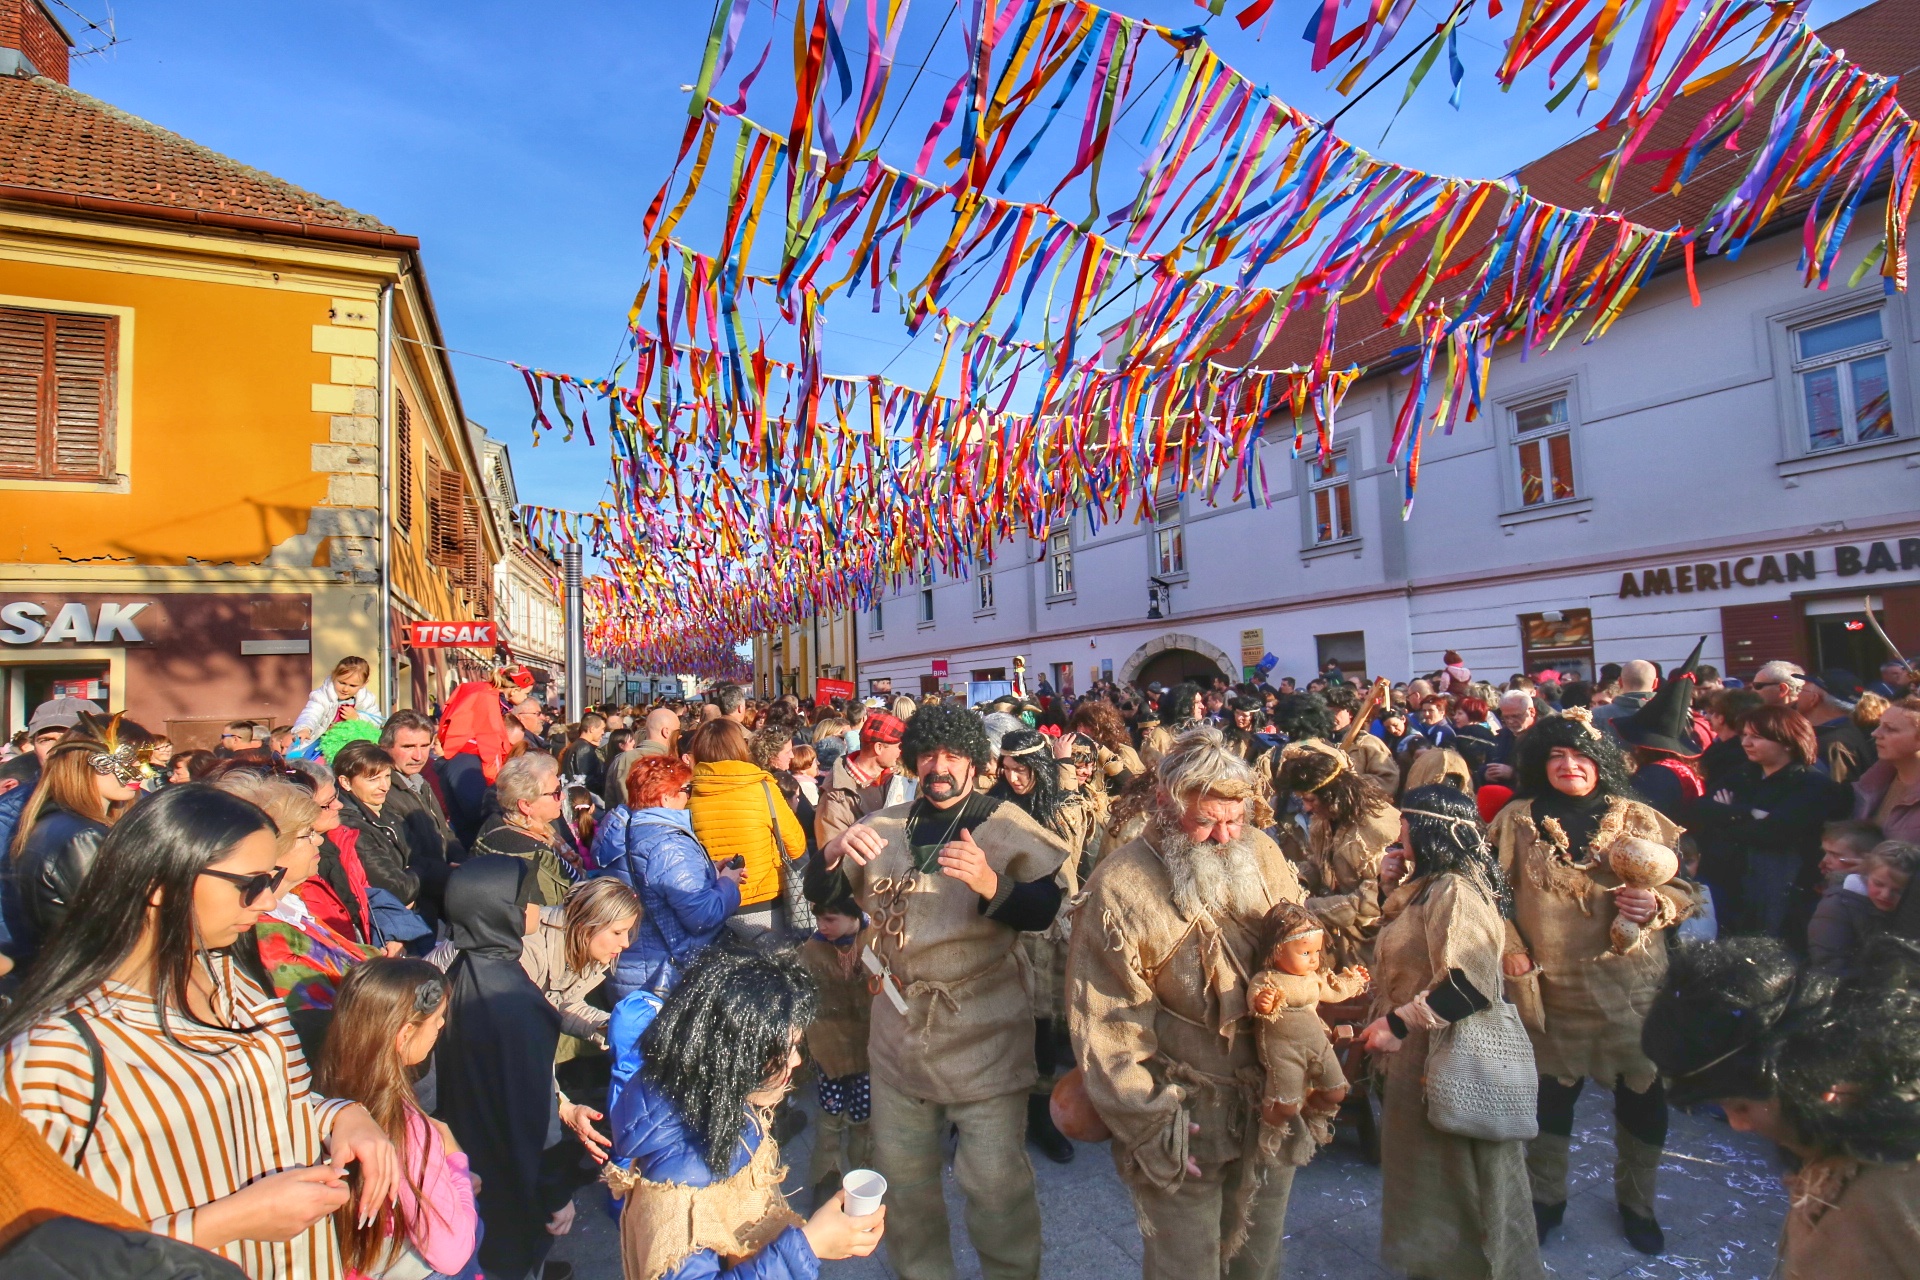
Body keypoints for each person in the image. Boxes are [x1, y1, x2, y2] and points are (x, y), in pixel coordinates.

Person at [0, 784, 398, 1279]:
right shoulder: (55, 1052)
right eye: (250, 883)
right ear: (159, 885)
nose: (268, 900)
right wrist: (227, 1222)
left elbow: (267, 1098)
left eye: (273, 878)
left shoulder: (230, 978)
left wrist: (342, 1116)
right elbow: (35, 1255)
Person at [805, 703, 1069, 1280]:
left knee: (996, 1187)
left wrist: (990, 882)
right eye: (927, 754)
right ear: (912, 760)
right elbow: (825, 894)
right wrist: (830, 852)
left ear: (975, 762)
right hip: (897, 1034)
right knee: (904, 1183)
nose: (939, 766)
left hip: (984, 1032)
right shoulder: (883, 825)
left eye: (952, 755)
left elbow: (1045, 910)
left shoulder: (1006, 824)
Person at [1068, 725, 1308, 1280]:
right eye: (1205, 822)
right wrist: (1150, 1123)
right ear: (1164, 803)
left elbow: (1302, 952)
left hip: (1272, 1103)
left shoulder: (1264, 853)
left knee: (1259, 1257)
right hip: (1185, 1119)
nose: (1224, 837)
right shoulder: (1120, 886)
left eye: (1235, 819)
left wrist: (1307, 1060)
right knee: (1185, 1266)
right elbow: (1105, 1024)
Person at [1488, 710, 1696, 1255]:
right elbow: (1490, 896)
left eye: (1581, 755)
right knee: (1550, 1104)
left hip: (1632, 989)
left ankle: (1638, 1204)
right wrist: (1511, 949)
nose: (1569, 765)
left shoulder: (1639, 818)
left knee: (1643, 1099)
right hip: (1551, 989)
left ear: (1601, 762)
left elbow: (1686, 890)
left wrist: (1657, 904)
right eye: (1556, 755)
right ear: (1540, 762)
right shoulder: (1515, 820)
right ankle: (1545, 1201)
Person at [1641, 935, 1920, 1280]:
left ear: (1798, 1072)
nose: (1738, 1124)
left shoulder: (1879, 1199)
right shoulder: (1843, 1126)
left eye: (1741, 1106)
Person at [604, 947, 885, 1279]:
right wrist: (808, 1246)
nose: (796, 1061)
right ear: (737, 1058)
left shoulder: (715, 1104)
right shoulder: (676, 1195)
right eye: (787, 1049)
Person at [1359, 785, 1544, 1280]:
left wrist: (1398, 1023)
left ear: (1426, 830)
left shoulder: (1456, 892)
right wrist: (1388, 887)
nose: (1398, 834)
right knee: (1425, 1179)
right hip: (1419, 1057)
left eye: (1404, 825)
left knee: (1451, 1179)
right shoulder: (1431, 885)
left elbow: (1468, 985)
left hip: (1445, 1056)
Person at [434, 856, 606, 1280]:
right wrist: (555, 1193)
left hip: (469, 1142)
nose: (536, 908)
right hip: (510, 1161)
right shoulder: (513, 999)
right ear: (500, 912)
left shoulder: (459, 968)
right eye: (525, 900)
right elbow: (535, 1112)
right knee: (514, 1247)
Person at [318, 959, 479, 1280]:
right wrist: (456, 1164)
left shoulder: (323, 1093)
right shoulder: (405, 1127)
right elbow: (451, 1253)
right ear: (405, 1034)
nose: (441, 1025)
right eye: (437, 1019)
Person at [215, 771, 375, 1063]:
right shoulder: (263, 934)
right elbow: (320, 1034)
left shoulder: (291, 903)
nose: (319, 841)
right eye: (307, 834)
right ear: (273, 847)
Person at [991, 728, 1090, 1166]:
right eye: (1007, 768)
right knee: (1009, 1023)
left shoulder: (1062, 807)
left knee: (1045, 1024)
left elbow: (1073, 851)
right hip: (1007, 925)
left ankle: (1042, 1114)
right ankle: (1001, 1112)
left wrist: (1064, 767)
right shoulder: (995, 805)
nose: (1013, 777)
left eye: (1022, 769)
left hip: (1053, 928)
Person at [1688, 706, 1847, 938]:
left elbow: (1774, 832)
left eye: (1757, 737)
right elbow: (1700, 809)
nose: (1746, 743)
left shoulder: (1812, 784)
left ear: (1787, 742)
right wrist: (1748, 812)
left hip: (1776, 891)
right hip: (1726, 882)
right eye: (1744, 735)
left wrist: (1725, 816)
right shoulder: (1743, 774)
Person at [594, 757, 742, 1001]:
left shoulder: (624, 830)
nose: (689, 797)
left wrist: (708, 871)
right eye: (686, 789)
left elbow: (649, 882)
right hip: (666, 978)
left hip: (629, 968)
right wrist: (728, 882)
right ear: (665, 797)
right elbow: (704, 915)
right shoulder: (668, 844)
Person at [8, 715, 146, 956]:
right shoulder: (82, 837)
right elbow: (115, 930)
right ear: (85, 761)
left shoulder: (58, 824)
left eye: (143, 759)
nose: (140, 771)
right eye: (127, 759)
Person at [1272, 739, 1400, 971]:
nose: (1306, 808)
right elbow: (1318, 864)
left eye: (1310, 800)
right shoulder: (1323, 822)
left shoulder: (1376, 830)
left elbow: (1373, 901)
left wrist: (1309, 907)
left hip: (1378, 941)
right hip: (1340, 935)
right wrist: (1294, 880)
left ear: (1331, 795)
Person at [685, 719, 806, 938]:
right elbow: (796, 846)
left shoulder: (688, 796)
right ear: (740, 747)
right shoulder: (763, 788)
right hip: (764, 903)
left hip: (711, 905)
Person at [796, 896, 874, 1208]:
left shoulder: (873, 940)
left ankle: (862, 1176)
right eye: (818, 919)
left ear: (854, 915)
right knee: (830, 1115)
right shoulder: (812, 950)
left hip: (866, 1048)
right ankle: (827, 1176)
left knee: (863, 1117)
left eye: (830, 919)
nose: (822, 926)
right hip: (828, 1049)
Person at [520, 877, 639, 1058]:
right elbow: (508, 1023)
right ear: (587, 924)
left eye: (627, 932)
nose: (626, 943)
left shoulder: (581, 945)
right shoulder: (528, 951)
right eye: (617, 932)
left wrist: (612, 1027)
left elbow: (565, 1005)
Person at [472, 752, 576, 907]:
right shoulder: (529, 854)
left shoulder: (536, 828)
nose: (562, 797)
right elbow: (547, 909)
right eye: (556, 792)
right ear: (526, 805)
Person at [1808, 840, 1918, 974]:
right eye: (1878, 884)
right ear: (1865, 875)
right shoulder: (1836, 907)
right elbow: (1829, 963)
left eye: (1898, 891)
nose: (1886, 895)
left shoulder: (1906, 912)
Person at [333, 741, 420, 907]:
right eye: (373, 779)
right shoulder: (351, 827)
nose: (385, 787)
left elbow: (418, 853)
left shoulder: (384, 810)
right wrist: (421, 871)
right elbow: (399, 889)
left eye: (387, 776)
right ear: (345, 782)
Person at [811, 710, 912, 851]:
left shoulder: (894, 776)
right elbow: (832, 853)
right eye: (899, 746)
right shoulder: (835, 795)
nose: (902, 752)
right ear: (879, 748)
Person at [379, 709, 464, 872]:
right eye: (408, 747)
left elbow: (444, 833)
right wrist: (449, 873)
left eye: (424, 746)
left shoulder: (421, 782)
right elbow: (408, 855)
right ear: (384, 748)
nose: (418, 756)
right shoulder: (382, 793)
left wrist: (462, 863)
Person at [293, 655, 385, 744]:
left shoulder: (366, 700)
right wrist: (305, 728)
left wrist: (357, 718)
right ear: (334, 676)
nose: (345, 689)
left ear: (363, 684)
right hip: (323, 743)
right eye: (342, 683)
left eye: (352, 685)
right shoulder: (323, 696)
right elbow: (311, 713)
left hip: (354, 744)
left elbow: (376, 723)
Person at [561, 712, 608, 796]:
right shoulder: (584, 748)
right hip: (584, 796)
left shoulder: (577, 745)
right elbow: (585, 778)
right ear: (592, 729)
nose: (603, 732)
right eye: (602, 729)